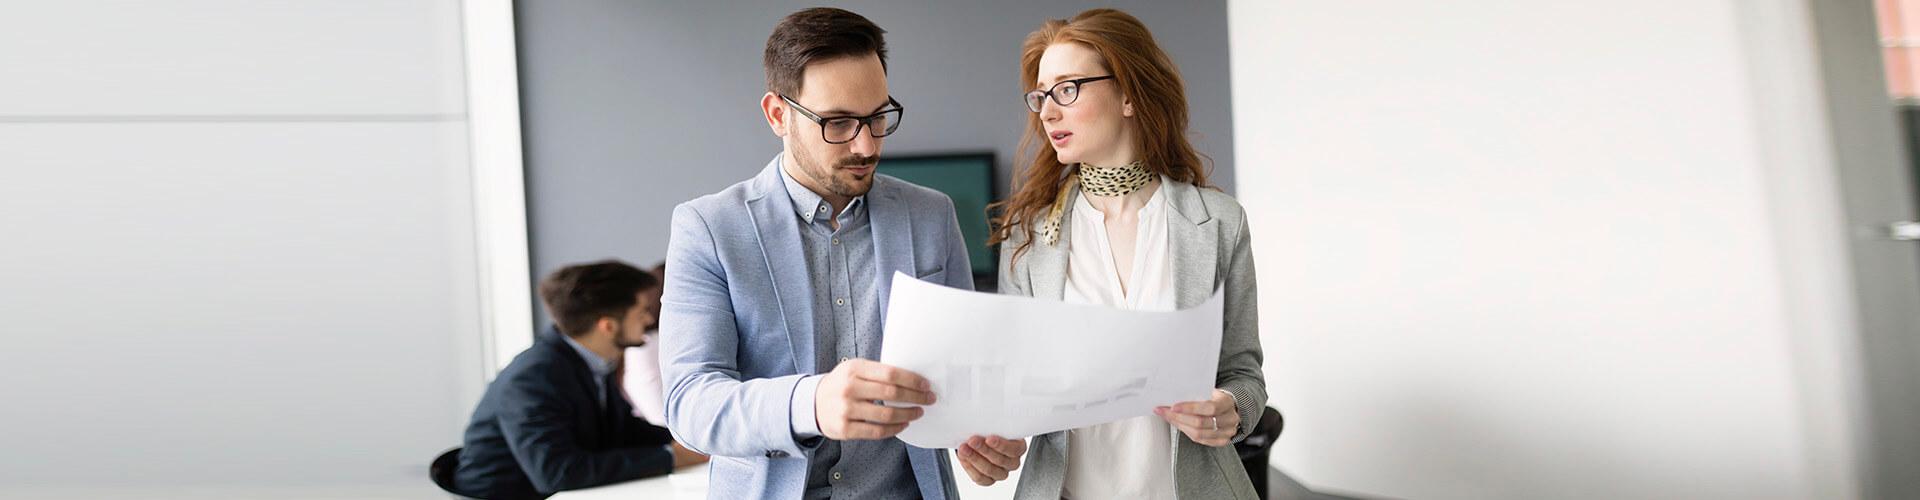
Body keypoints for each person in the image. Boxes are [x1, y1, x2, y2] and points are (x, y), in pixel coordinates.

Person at [657, 7, 989, 499]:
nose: (865, 144)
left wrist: (981, 435)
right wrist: (810, 403)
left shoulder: (931, 215)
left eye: (878, 117)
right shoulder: (708, 227)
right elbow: (689, 405)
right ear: (778, 114)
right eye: (838, 122)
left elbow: (968, 372)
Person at [967, 8, 1268, 499]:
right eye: (1041, 95)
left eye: (1068, 89)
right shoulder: (1028, 235)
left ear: (1129, 95)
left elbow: (1244, 374)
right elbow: (1012, 393)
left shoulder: (1219, 223)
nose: (1046, 111)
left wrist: (1229, 411)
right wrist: (991, 440)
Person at [450, 260, 702, 500]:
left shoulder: (587, 363)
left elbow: (624, 429)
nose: (649, 320)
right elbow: (557, 472)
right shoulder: (532, 378)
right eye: (641, 311)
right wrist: (670, 457)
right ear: (608, 326)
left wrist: (694, 441)